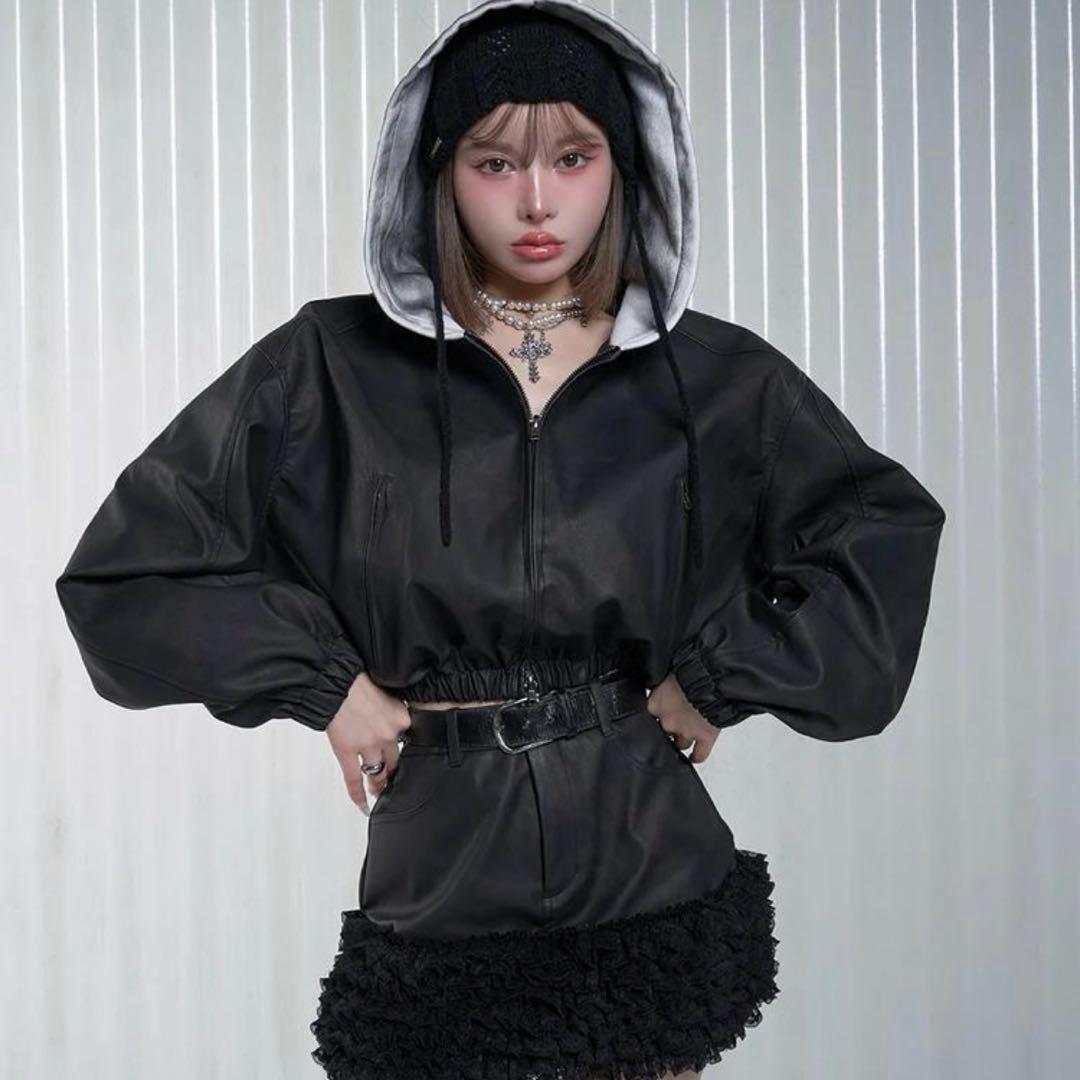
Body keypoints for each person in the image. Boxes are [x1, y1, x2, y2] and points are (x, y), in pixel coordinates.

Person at [53, 2, 947, 1079]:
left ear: (623, 166)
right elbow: (128, 573)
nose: (536, 201)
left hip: (647, 873)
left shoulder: (714, 379)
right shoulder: (328, 368)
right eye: (494, 162)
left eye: (572, 158)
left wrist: (720, 677)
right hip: (443, 885)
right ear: (439, 172)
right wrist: (323, 684)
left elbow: (880, 533)